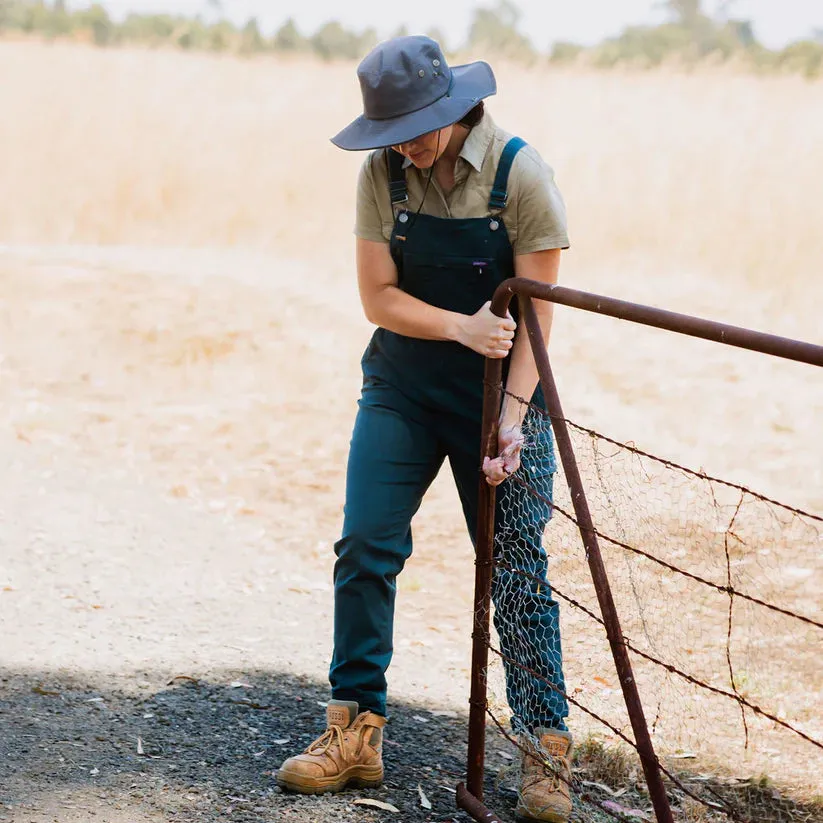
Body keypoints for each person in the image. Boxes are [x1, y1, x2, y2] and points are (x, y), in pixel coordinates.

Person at [276, 35, 572, 823]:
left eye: (414, 125)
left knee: (514, 566)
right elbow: (378, 296)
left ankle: (545, 747)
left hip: (499, 397)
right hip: (402, 388)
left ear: (452, 107)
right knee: (365, 545)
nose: (402, 142)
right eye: (390, 128)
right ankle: (354, 728)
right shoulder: (381, 173)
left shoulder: (521, 176)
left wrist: (510, 424)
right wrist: (458, 328)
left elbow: (537, 317)